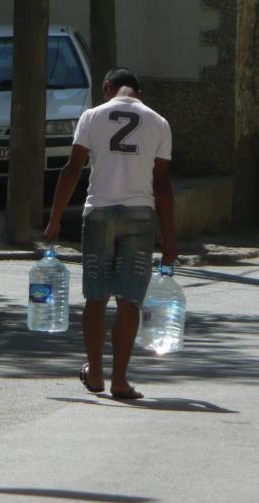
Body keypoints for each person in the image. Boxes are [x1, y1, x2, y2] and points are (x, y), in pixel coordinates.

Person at [43, 67, 177, 400]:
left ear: (108, 88)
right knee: (129, 299)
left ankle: (95, 374)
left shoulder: (91, 117)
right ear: (138, 93)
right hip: (140, 217)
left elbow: (72, 169)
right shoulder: (159, 123)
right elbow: (162, 185)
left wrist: (55, 220)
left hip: (99, 214)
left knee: (96, 297)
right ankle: (120, 380)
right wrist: (170, 239)